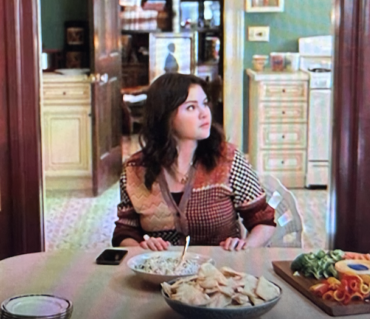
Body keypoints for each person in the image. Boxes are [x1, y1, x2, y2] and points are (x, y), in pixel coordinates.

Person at [113, 73, 277, 251]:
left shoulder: (228, 159)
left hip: (220, 273)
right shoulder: (134, 169)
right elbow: (125, 232)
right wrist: (141, 248)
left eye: (205, 103)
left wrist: (244, 246)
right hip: (160, 272)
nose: (204, 113)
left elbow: (264, 221)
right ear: (165, 115)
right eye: (191, 107)